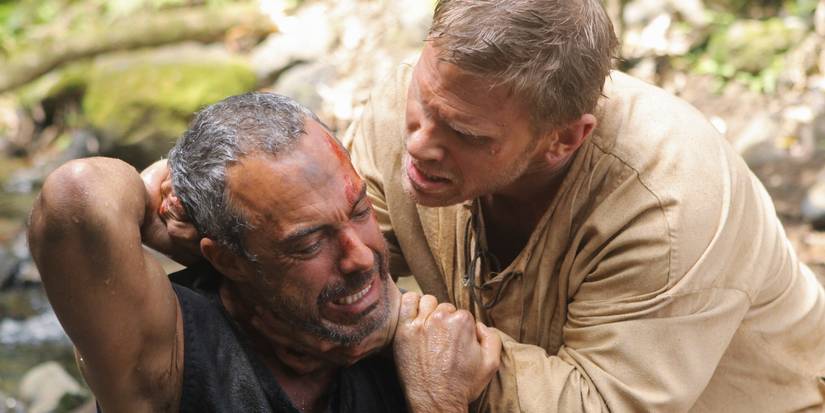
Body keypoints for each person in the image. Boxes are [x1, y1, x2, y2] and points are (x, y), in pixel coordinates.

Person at [341, 0, 825, 411]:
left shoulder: (667, 204)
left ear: (564, 139)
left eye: (465, 134)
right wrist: (401, 327)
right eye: (422, 100)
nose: (419, 143)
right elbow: (329, 259)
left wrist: (437, 355)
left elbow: (601, 402)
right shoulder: (413, 107)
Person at [27, 92, 500, 413]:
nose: (359, 258)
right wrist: (153, 201)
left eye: (359, 211)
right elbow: (76, 197)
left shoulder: (424, 348)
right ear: (227, 260)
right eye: (309, 242)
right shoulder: (169, 356)